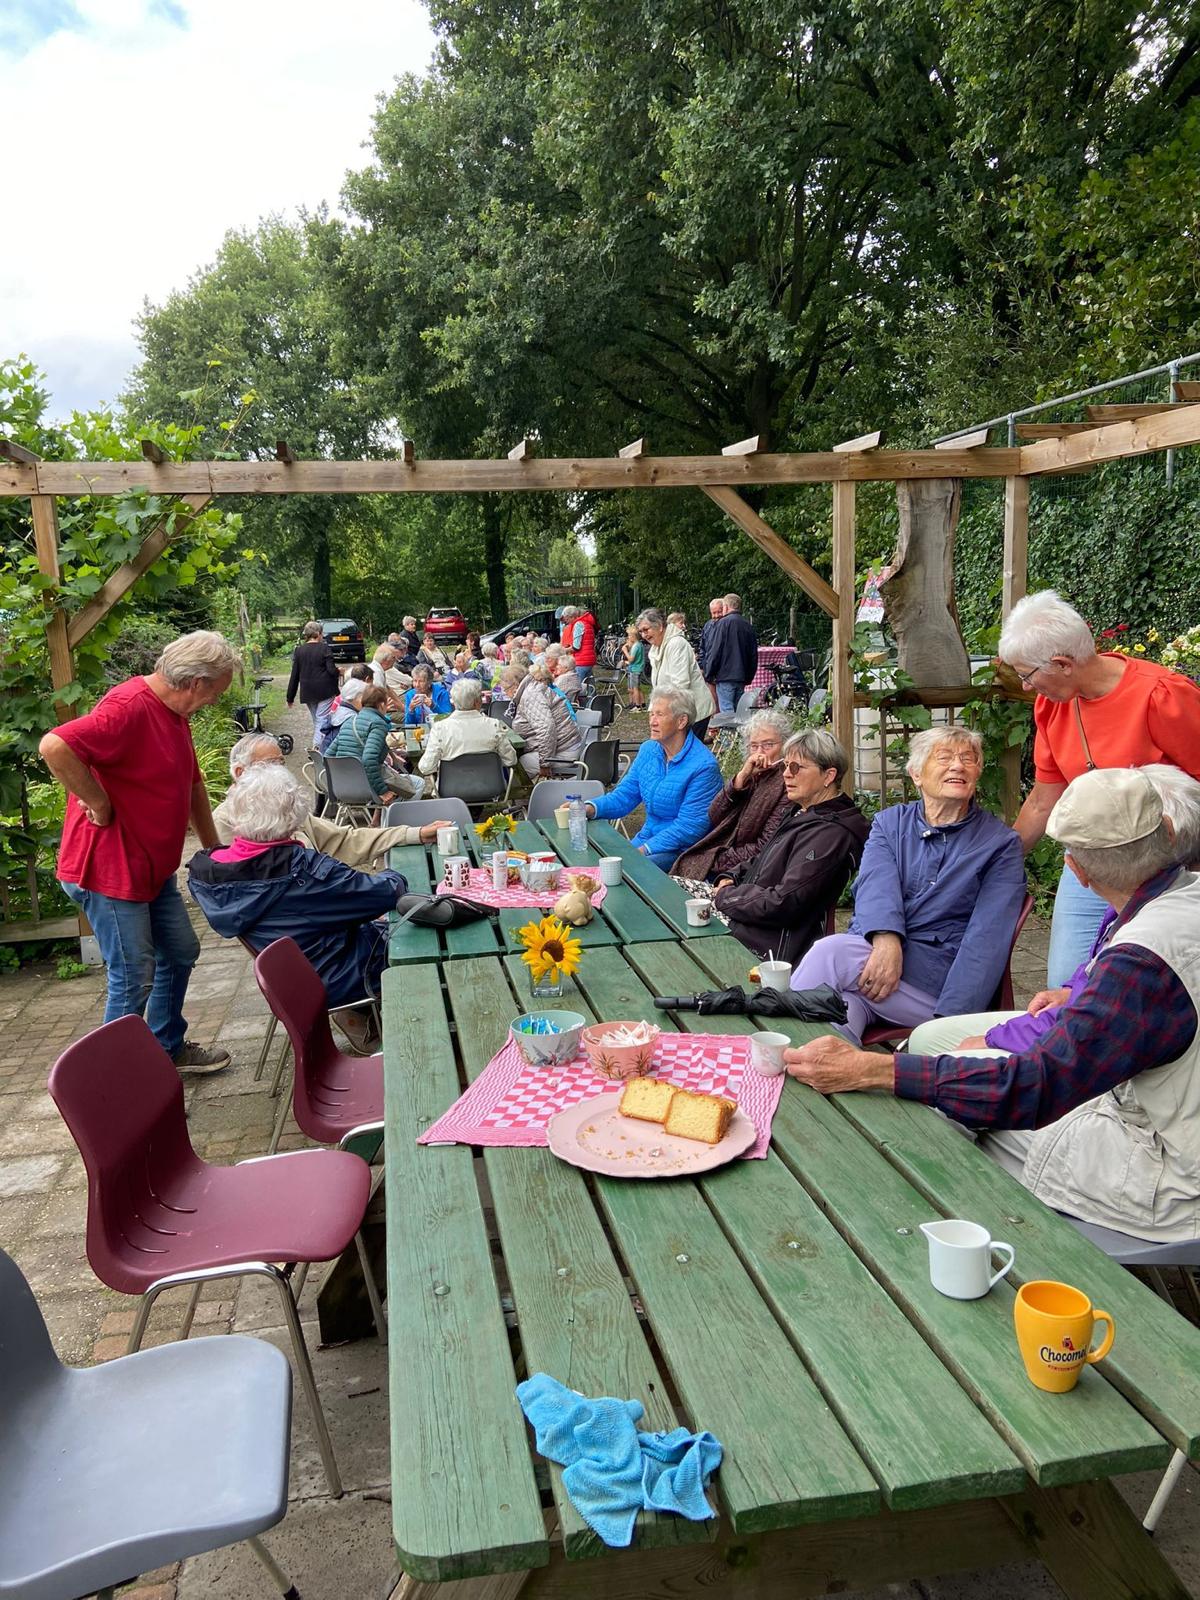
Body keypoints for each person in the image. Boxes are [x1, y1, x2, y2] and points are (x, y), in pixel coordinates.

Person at [785, 767, 1200, 1243]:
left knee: (944, 1108)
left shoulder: (1141, 960)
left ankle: (907, 1235)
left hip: (1169, 1175)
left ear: (1077, 871)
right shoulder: (1177, 903)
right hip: (1160, 1112)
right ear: (1167, 833)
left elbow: (1038, 1087)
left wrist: (873, 1071)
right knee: (949, 1070)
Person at [39, 629, 241, 1074]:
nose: (214, 701)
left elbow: (192, 782)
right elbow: (55, 746)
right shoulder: (128, 708)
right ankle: (122, 1087)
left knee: (181, 952)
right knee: (133, 979)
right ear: (195, 683)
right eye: (216, 692)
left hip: (151, 871)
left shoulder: (175, 713)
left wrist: (214, 849)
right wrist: (98, 801)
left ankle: (166, 1048)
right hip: (109, 872)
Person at [998, 589, 1200, 984]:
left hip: (1167, 865)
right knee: (1065, 983)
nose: (1024, 687)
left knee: (1150, 983)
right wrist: (997, 859)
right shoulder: (1051, 704)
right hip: (1090, 858)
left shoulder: (1162, 696)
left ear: (1062, 663)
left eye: (1027, 674)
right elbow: (1043, 800)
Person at [788, 727, 1027, 1042]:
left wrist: (952, 1023)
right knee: (835, 1021)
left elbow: (987, 938)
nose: (958, 765)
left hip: (934, 991)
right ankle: (805, 1080)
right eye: (944, 757)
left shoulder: (999, 845)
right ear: (916, 774)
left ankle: (768, 1048)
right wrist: (886, 940)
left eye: (968, 759)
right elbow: (876, 886)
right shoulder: (890, 823)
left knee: (831, 953)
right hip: (872, 968)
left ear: (977, 774)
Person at [949, 762, 1200, 1057]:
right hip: (1092, 1038)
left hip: (1114, 1082)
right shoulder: (1146, 901)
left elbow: (1074, 1041)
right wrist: (1071, 990)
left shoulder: (1136, 950)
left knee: (946, 1051)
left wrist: (993, 1040)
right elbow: (1093, 983)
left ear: (1078, 871)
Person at [189, 765, 407, 1048]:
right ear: (294, 816)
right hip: (339, 973)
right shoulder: (305, 871)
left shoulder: (210, 873)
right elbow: (385, 894)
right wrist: (396, 874)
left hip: (290, 983)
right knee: (424, 947)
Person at [705, 730, 869, 964]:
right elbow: (764, 858)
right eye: (785, 766)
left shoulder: (831, 834)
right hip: (748, 919)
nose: (786, 775)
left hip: (769, 948)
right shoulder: (802, 811)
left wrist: (726, 897)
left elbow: (783, 903)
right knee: (670, 900)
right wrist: (731, 875)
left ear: (828, 775)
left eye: (796, 768)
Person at [221, 732, 454, 867]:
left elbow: (346, 840)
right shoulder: (224, 824)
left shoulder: (287, 809)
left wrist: (415, 833)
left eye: (281, 763)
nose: (280, 771)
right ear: (240, 773)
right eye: (269, 765)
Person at [587, 687, 723, 868]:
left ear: (681, 721)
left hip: (683, 852)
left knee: (623, 872)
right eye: (651, 714)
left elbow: (689, 828)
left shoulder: (703, 767)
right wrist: (589, 808)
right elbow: (625, 795)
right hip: (647, 840)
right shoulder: (649, 750)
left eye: (659, 715)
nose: (652, 721)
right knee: (594, 867)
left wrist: (644, 849)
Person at [672, 709, 793, 882]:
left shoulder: (786, 783)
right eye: (754, 746)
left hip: (745, 871)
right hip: (723, 855)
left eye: (768, 745)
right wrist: (740, 779)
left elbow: (765, 846)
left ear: (785, 747)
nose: (759, 753)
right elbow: (714, 814)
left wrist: (714, 860)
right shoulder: (752, 775)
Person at [329, 686, 424, 803]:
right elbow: (369, 759)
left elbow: (328, 755)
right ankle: (400, 817)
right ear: (382, 705)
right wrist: (382, 791)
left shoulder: (350, 721)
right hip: (366, 786)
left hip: (342, 785)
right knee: (418, 783)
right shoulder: (377, 724)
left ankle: (388, 816)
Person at [417, 677, 519, 783]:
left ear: (453, 702)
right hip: (490, 786)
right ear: (476, 702)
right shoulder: (494, 725)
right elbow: (511, 759)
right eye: (481, 696)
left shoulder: (440, 728)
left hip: (451, 790)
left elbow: (426, 767)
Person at [506, 662, 582, 778]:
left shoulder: (531, 695)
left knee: (516, 765)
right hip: (566, 746)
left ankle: (522, 794)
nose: (505, 693)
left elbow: (546, 729)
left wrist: (545, 763)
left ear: (514, 686)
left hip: (564, 752)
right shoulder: (534, 690)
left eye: (505, 689)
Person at [638, 607, 710, 722]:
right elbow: (658, 685)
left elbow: (680, 684)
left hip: (692, 712)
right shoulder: (656, 647)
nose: (643, 635)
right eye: (641, 631)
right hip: (674, 711)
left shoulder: (676, 644)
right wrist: (654, 710)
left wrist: (665, 714)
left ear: (660, 626)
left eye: (646, 629)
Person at [706, 593, 759, 714]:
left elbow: (715, 651)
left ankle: (729, 732)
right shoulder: (747, 625)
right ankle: (739, 732)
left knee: (727, 711)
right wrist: (749, 676)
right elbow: (753, 654)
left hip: (725, 676)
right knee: (739, 711)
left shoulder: (723, 624)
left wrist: (709, 673)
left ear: (725, 606)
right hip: (741, 677)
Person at [286, 621, 341, 734]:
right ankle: (318, 747)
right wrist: (339, 672)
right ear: (319, 634)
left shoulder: (299, 651)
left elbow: (294, 675)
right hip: (325, 691)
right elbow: (331, 670)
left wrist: (290, 697)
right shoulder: (325, 649)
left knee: (318, 720)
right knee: (321, 720)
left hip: (308, 692)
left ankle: (321, 745)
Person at [698, 597, 726, 711]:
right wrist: (702, 665)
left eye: (719, 612)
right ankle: (715, 724)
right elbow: (703, 647)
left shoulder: (727, 625)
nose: (716, 615)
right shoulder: (708, 625)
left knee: (724, 702)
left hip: (723, 671)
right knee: (713, 701)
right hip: (709, 670)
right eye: (713, 613)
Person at [560, 603, 597, 688]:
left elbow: (576, 647)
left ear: (572, 616)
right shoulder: (588, 623)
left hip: (581, 660)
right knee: (590, 687)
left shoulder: (578, 624)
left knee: (578, 688)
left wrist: (562, 650)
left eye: (567, 619)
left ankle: (580, 702)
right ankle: (595, 701)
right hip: (589, 659)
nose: (567, 622)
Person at [621, 623, 646, 709]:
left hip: (635, 669)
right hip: (636, 667)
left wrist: (625, 651)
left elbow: (631, 659)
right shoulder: (639, 645)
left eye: (629, 635)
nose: (628, 637)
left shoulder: (636, 646)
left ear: (633, 636)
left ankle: (637, 706)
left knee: (635, 688)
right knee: (637, 687)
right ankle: (642, 703)